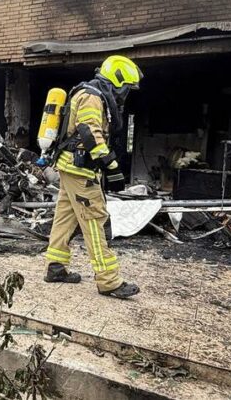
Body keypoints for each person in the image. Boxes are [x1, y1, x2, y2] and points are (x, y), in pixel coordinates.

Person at [44, 55, 142, 299]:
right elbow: (89, 131)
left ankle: (56, 267)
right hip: (79, 169)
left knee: (65, 217)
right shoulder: (92, 96)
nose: (126, 94)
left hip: (71, 167)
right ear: (117, 82)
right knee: (95, 220)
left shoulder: (92, 93)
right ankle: (109, 281)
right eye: (126, 88)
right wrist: (111, 165)